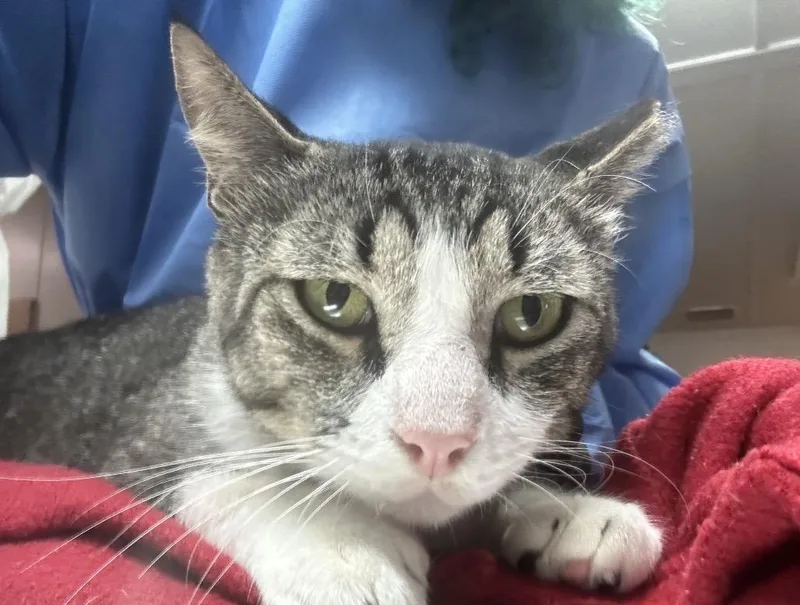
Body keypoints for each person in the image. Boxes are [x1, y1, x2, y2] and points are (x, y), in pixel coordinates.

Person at [0, 0, 692, 463]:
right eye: (338, 298)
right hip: (202, 433)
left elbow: (610, 366)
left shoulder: (623, 63)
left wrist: (542, 478)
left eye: (528, 311)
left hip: (514, 477)